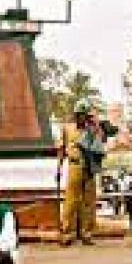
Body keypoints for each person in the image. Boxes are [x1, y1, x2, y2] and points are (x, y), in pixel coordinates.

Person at [58, 98, 104, 246]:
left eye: (85, 115)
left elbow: (102, 140)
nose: (82, 118)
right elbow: (61, 149)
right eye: (79, 114)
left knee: (89, 202)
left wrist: (95, 123)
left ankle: (87, 233)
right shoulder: (67, 128)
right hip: (74, 165)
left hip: (89, 167)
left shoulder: (92, 130)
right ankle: (67, 233)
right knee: (71, 201)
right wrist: (58, 168)